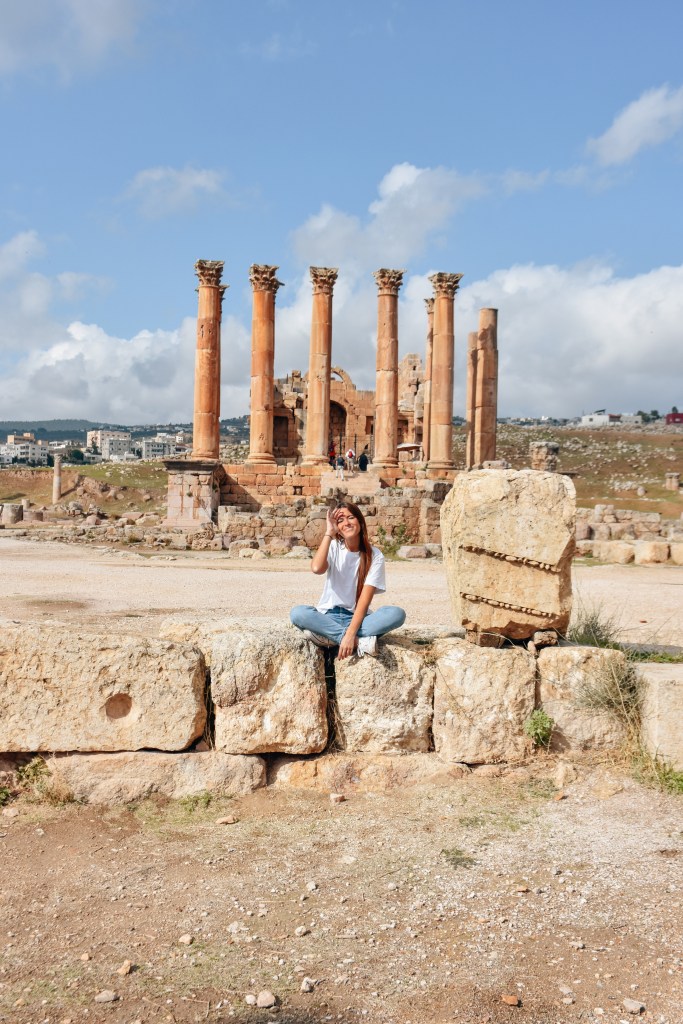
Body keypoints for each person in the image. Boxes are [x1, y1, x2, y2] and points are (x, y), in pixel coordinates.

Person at [290, 501, 406, 659]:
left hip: (358, 619)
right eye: (340, 520)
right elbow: (317, 568)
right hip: (328, 616)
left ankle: (328, 638)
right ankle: (359, 642)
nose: (346, 523)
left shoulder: (375, 555)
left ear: (359, 521)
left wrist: (351, 632)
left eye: (351, 517)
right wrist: (329, 532)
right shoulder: (333, 546)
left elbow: (364, 601)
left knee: (396, 613)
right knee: (298, 613)